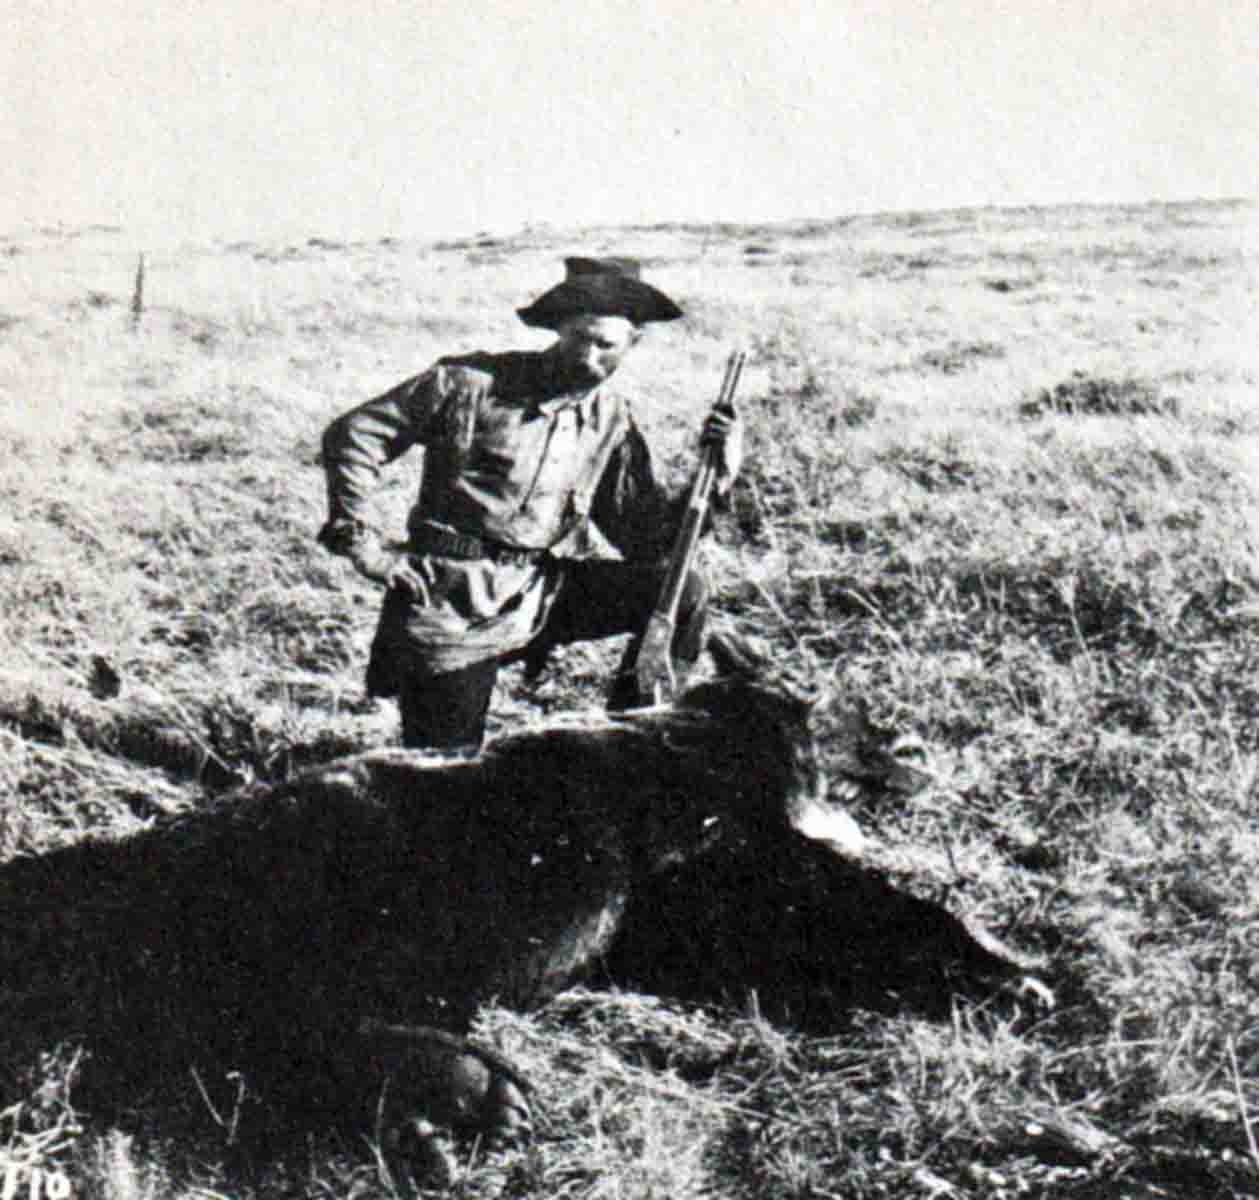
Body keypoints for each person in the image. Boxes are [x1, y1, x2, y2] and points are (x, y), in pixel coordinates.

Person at [318, 256, 743, 754]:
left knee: (681, 591)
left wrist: (719, 471)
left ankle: (632, 747)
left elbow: (645, 538)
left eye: (605, 344)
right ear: (559, 329)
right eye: (578, 337)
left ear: (633, 344)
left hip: (539, 592)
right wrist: (364, 544)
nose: (588, 356)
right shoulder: (468, 385)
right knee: (445, 774)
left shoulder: (610, 419)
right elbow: (354, 436)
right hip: (451, 603)